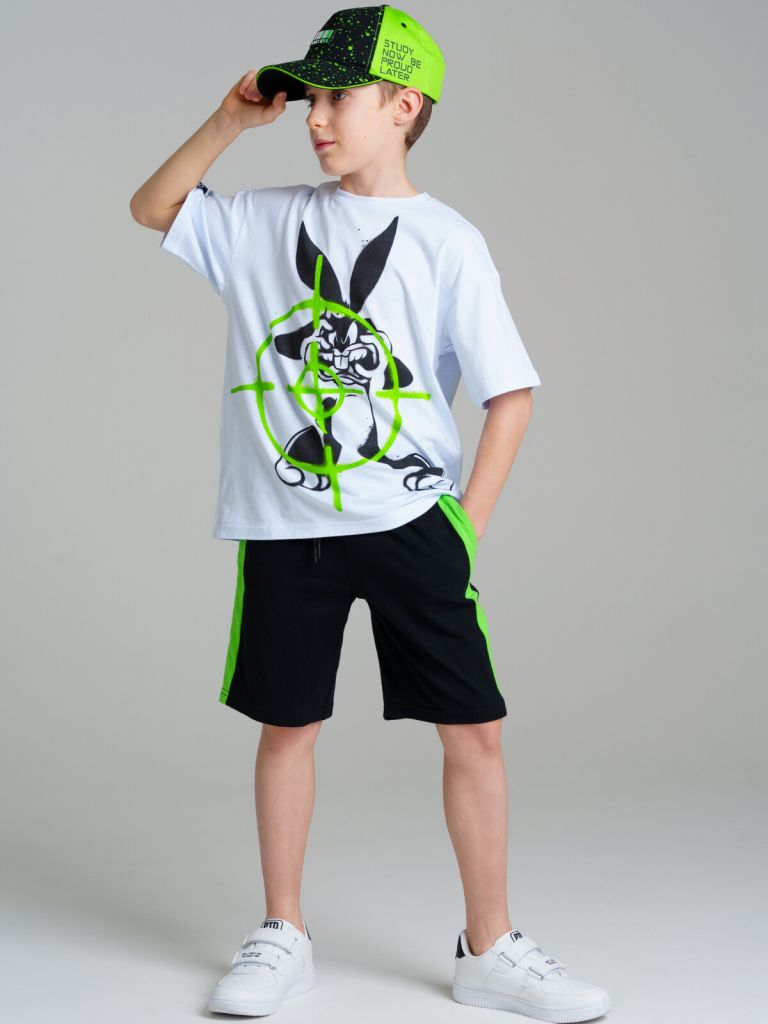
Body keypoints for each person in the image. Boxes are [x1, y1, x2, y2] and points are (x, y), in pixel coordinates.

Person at [130, 5, 611, 1021]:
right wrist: (228, 122)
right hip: (285, 528)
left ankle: (490, 945)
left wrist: (465, 527)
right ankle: (282, 930)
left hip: (411, 525)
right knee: (287, 728)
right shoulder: (263, 222)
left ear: (404, 105)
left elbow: (511, 394)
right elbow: (152, 205)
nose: (314, 117)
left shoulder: (448, 242)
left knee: (475, 732)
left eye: (337, 97)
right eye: (309, 97)